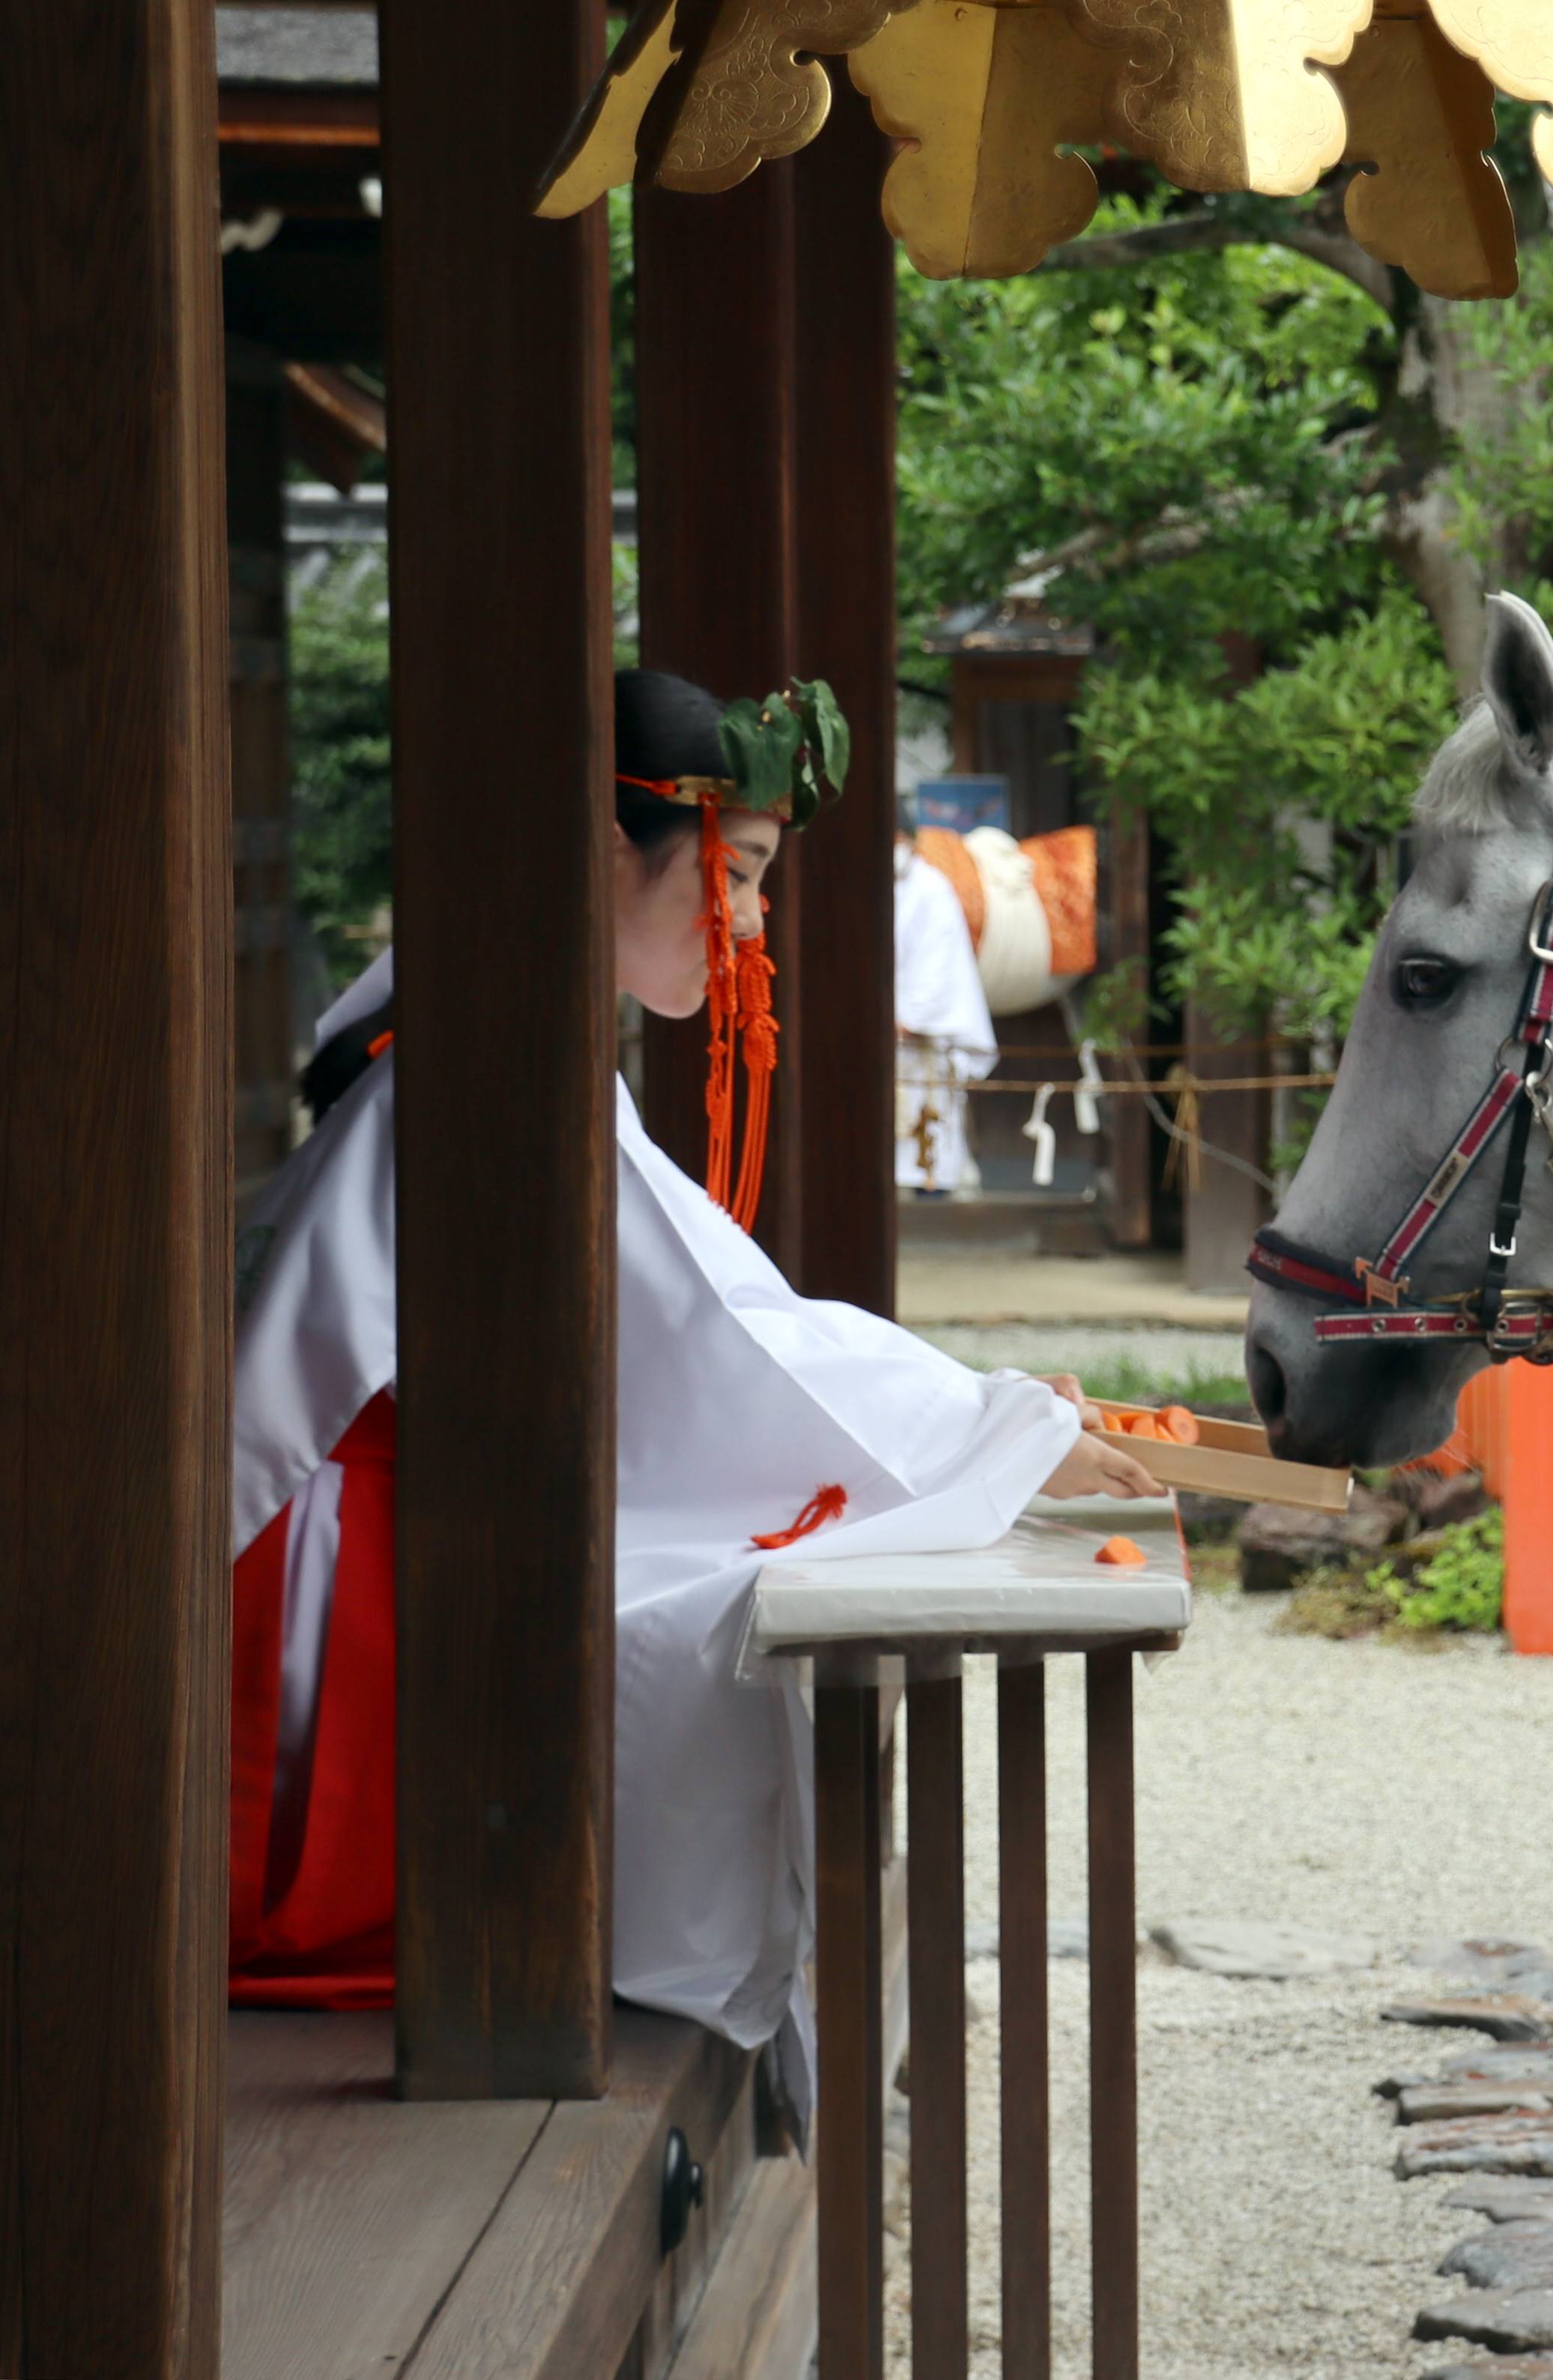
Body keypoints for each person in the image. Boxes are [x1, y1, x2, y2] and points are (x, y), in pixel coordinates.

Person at [227, 668, 1157, 2089]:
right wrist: (994, 1430)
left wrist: (993, 1412)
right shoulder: (479, 1062)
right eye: (739, 874)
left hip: (373, 1545)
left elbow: (723, 1317)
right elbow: (722, 1337)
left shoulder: (474, 1028)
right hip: (343, 1593)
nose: (755, 926)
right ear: (608, 853)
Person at [893, 796, 998, 1194]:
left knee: (930, 1117)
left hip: (926, 1032)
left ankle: (933, 1191)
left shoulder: (931, 889)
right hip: (888, 1028)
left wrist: (911, 1017)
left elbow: (939, 963)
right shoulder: (876, 888)